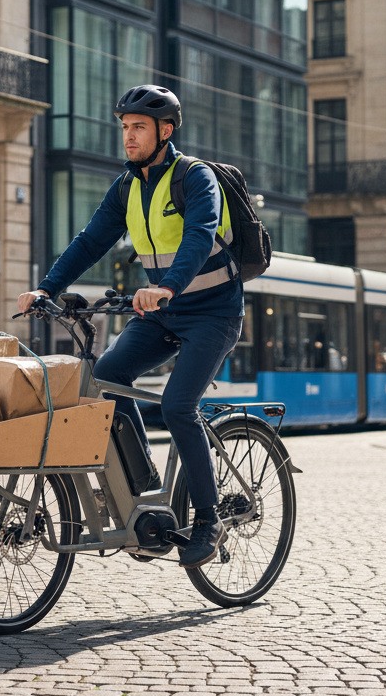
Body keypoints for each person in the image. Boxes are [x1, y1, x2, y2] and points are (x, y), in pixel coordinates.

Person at [17, 84, 244, 569]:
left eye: (138, 127)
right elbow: (91, 240)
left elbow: (200, 235)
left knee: (180, 406)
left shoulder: (194, 178)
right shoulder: (127, 186)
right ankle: (145, 492)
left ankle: (208, 521)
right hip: (162, 312)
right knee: (106, 382)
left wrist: (169, 286)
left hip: (213, 312)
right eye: (124, 127)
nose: (129, 136)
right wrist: (47, 289)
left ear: (166, 130)